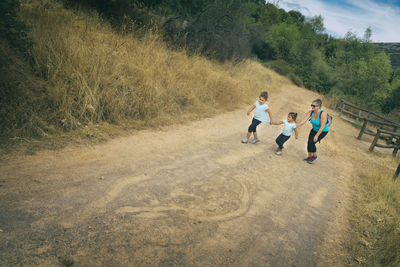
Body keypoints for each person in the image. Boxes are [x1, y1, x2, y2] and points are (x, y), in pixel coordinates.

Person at [296, 99, 329, 164]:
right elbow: (303, 121)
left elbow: (322, 126)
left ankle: (314, 156)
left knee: (312, 143)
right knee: (309, 142)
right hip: (314, 129)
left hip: (322, 131)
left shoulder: (323, 114)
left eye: (314, 106)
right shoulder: (311, 112)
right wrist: (295, 126)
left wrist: (317, 136)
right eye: (311, 105)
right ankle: (309, 156)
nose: (312, 107)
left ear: (319, 106)